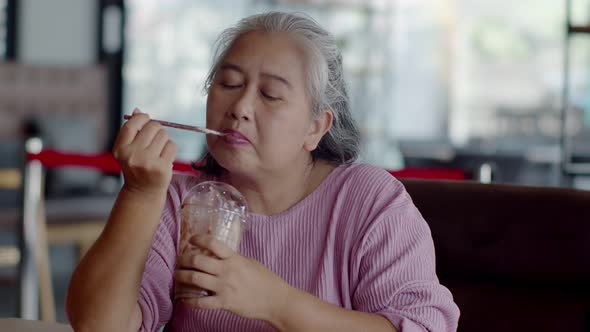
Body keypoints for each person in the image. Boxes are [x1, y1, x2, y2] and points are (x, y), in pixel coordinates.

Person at [66, 11, 460, 332]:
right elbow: (98, 325)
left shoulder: (369, 200)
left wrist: (276, 303)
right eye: (229, 83)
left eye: (270, 94)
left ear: (315, 127)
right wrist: (139, 194)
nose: (240, 106)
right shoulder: (176, 199)